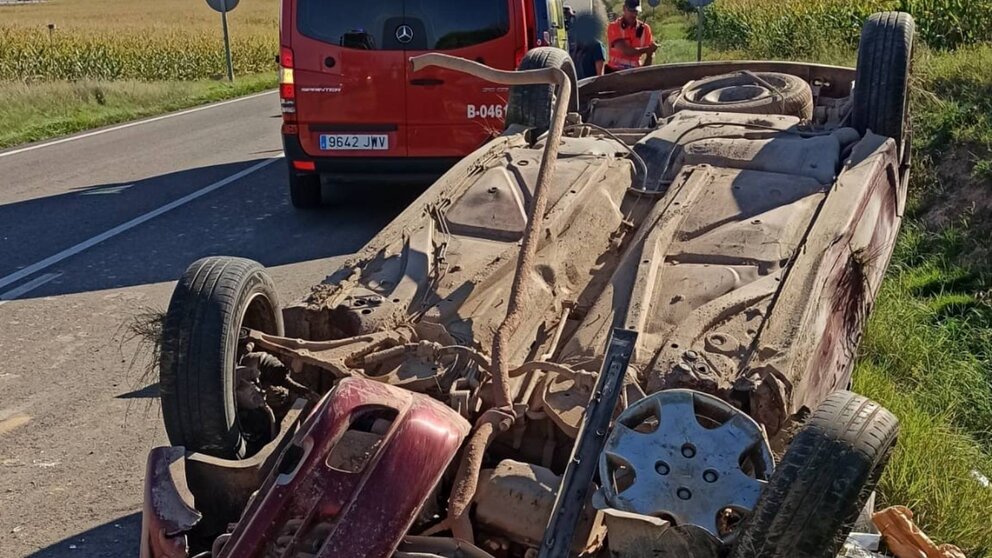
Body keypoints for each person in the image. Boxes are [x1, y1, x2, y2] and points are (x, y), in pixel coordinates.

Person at [606, 0, 658, 72]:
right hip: (615, 71)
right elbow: (627, 51)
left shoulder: (645, 29)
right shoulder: (614, 27)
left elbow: (650, 54)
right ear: (624, 9)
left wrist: (650, 55)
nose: (634, 14)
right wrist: (648, 49)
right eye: (631, 10)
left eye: (636, 11)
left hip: (635, 72)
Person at [569, 12, 607, 80]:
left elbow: (600, 76)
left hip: (591, 87)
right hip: (577, 86)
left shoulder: (597, 46)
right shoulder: (577, 46)